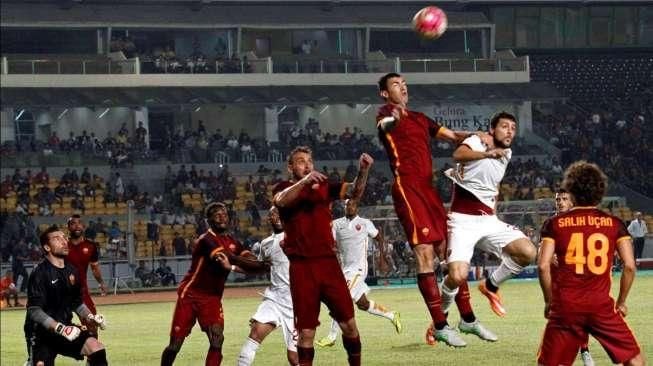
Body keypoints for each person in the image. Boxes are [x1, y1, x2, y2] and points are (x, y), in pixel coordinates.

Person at [376, 72, 477, 346]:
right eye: (396, 85)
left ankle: (468, 319)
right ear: (385, 93)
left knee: (449, 251)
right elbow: (383, 127)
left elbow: (453, 136)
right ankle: (441, 325)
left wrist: (483, 137)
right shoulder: (385, 114)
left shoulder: (421, 118)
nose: (402, 88)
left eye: (404, 84)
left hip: (429, 190)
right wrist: (393, 117)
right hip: (408, 190)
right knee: (425, 253)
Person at [537, 161, 645, 366]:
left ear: (573, 192)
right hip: (600, 305)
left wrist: (549, 301)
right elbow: (630, 266)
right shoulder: (614, 223)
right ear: (600, 191)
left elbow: (542, 266)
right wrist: (621, 301)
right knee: (634, 359)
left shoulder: (555, 224)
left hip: (566, 306)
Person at [273, 147, 372, 366]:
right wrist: (305, 181)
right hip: (302, 268)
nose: (307, 165)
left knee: (349, 324)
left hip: (328, 264)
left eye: (309, 161)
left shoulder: (324, 186)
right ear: (290, 167)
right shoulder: (283, 188)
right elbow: (280, 201)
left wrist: (363, 170)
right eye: (300, 161)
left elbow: (354, 192)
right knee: (306, 332)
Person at [438, 112, 537, 322]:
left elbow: (494, 184)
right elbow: (458, 155)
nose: (510, 131)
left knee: (528, 252)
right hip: (462, 220)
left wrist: (494, 209)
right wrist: (485, 151)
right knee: (457, 276)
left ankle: (490, 285)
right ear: (492, 129)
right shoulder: (478, 142)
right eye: (504, 126)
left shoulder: (506, 153)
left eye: (513, 127)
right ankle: (440, 318)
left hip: (488, 220)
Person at [161, 202, 255, 366]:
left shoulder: (233, 241)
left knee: (217, 339)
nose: (222, 217)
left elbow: (249, 259)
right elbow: (227, 257)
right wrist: (255, 264)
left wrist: (254, 262)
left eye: (224, 214)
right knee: (175, 345)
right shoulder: (206, 240)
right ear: (209, 220)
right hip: (190, 295)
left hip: (212, 298)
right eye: (217, 215)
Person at [316, 198, 402, 348]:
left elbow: (380, 238)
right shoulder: (337, 224)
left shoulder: (365, 223)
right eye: (347, 205)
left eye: (353, 205)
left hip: (359, 269)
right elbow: (329, 242)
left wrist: (382, 258)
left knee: (340, 299)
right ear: (344, 207)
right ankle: (392, 315)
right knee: (363, 304)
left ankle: (331, 336)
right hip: (344, 269)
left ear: (357, 207)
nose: (350, 207)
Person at [24, 225, 108, 366]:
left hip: (66, 328)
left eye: (64, 237)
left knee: (97, 349)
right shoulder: (39, 273)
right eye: (57, 239)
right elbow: (34, 311)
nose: (63, 241)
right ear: (47, 248)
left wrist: (90, 318)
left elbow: (77, 303)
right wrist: (60, 328)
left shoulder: (72, 271)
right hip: (41, 334)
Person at [236, 206, 297, 366]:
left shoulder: (299, 235)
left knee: (294, 358)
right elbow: (261, 267)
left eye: (279, 213)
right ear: (268, 219)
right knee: (255, 333)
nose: (276, 217)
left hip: (298, 303)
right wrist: (232, 266)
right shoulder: (266, 244)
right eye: (272, 215)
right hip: (275, 299)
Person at [551, 188, 594, 366]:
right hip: (558, 280)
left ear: (572, 202)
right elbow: (541, 249)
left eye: (564, 199)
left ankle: (584, 350)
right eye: (557, 199)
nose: (560, 202)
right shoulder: (550, 223)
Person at [66, 215, 108, 336]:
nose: (77, 226)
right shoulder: (62, 245)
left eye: (79, 223)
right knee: (56, 327)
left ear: (83, 226)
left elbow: (95, 268)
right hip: (61, 292)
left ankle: (93, 354)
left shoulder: (91, 246)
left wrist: (101, 283)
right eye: (73, 223)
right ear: (68, 227)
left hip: (81, 292)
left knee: (92, 325)